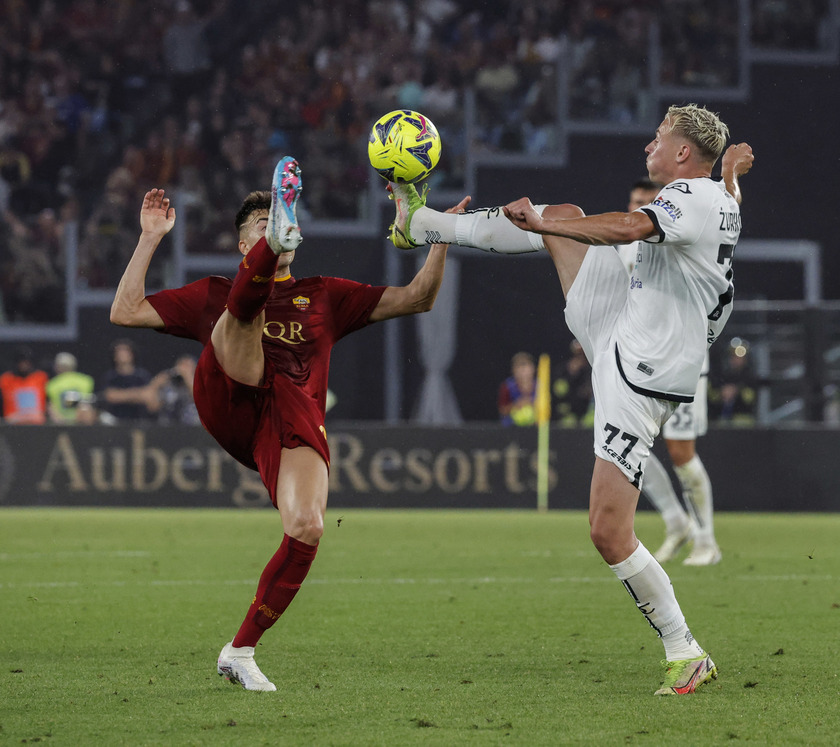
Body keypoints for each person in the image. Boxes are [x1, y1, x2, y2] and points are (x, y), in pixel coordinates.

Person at [387, 104, 754, 695]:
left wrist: (543, 229)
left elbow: (635, 227)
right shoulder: (717, 198)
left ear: (685, 153)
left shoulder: (695, 199)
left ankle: (685, 651)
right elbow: (714, 205)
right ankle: (421, 223)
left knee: (608, 532)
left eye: (659, 139)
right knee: (561, 214)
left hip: (641, 374)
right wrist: (732, 172)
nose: (648, 147)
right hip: (630, 322)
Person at [110, 155, 469, 691]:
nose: (277, 227)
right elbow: (125, 310)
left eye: (279, 222)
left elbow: (418, 297)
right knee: (240, 316)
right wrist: (150, 237)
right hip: (229, 394)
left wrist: (440, 236)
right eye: (265, 225)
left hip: (287, 420)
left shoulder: (324, 295)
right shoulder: (209, 295)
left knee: (308, 526)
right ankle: (255, 272)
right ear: (244, 245)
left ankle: (240, 650)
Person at [617, 178, 722, 566]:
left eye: (648, 201)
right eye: (635, 200)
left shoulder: (677, 242)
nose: (641, 207)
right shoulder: (623, 247)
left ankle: (707, 541)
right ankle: (676, 522)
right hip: (638, 361)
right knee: (628, 447)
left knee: (680, 453)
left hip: (683, 361)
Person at [98, 339, 156, 422]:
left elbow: (150, 399)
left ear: (132, 354)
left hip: (139, 421)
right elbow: (110, 396)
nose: (122, 354)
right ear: (114, 357)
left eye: (125, 351)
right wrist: (139, 395)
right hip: (115, 421)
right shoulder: (110, 376)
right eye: (119, 352)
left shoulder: (142, 376)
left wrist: (122, 395)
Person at [0, 347, 48, 424]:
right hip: (12, 426)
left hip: (37, 425)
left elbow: (49, 402)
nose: (23, 365)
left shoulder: (41, 378)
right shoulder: (6, 380)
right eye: (20, 362)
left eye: (26, 362)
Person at [552, 339, 594, 427]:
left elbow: (587, 393)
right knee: (566, 421)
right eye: (576, 355)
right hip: (567, 413)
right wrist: (571, 374)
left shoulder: (591, 371)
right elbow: (558, 393)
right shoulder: (562, 370)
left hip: (585, 412)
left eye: (582, 355)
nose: (579, 359)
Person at [46, 352, 96, 424]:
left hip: (62, 425)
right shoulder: (86, 380)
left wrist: (61, 422)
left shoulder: (52, 384)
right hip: (82, 424)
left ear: (57, 367)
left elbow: (51, 408)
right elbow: (89, 404)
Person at [498, 351, 537, 426]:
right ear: (513, 370)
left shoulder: (541, 386)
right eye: (519, 366)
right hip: (511, 428)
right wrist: (516, 405)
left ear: (533, 369)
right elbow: (502, 410)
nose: (523, 370)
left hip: (535, 429)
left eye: (525, 366)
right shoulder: (507, 386)